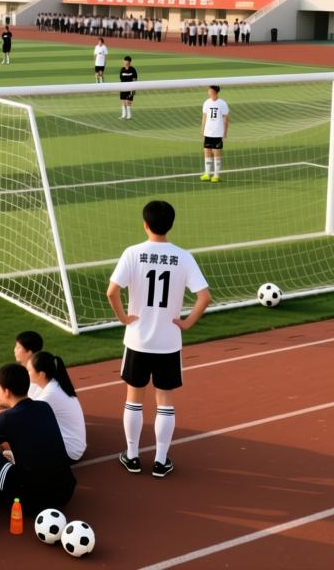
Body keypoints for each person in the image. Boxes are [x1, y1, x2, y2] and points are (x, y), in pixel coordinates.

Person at [106, 200, 212, 478]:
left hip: (138, 339)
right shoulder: (183, 256)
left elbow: (112, 291)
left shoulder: (133, 253)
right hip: (168, 341)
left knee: (134, 398)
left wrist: (122, 318)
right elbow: (205, 296)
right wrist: (188, 321)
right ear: (171, 224)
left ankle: (132, 456)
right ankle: (161, 460)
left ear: (145, 224)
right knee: (164, 400)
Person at [0, 363, 76, 512]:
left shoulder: (7, 418)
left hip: (29, 502)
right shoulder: (44, 407)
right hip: (65, 494)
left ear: (6, 391)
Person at [27, 352, 86, 462]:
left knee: (24, 429)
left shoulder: (50, 394)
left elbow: (25, 414)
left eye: (29, 370)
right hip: (72, 445)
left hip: (70, 452)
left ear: (41, 374)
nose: (27, 373)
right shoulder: (53, 383)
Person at [200, 85, 229, 182]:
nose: (208, 92)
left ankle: (216, 175)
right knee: (207, 151)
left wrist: (225, 132)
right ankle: (207, 174)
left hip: (217, 132)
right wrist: (202, 129)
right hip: (208, 132)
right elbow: (204, 117)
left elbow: (225, 118)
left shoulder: (222, 103)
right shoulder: (206, 102)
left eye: (210, 90)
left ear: (215, 92)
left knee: (216, 153)